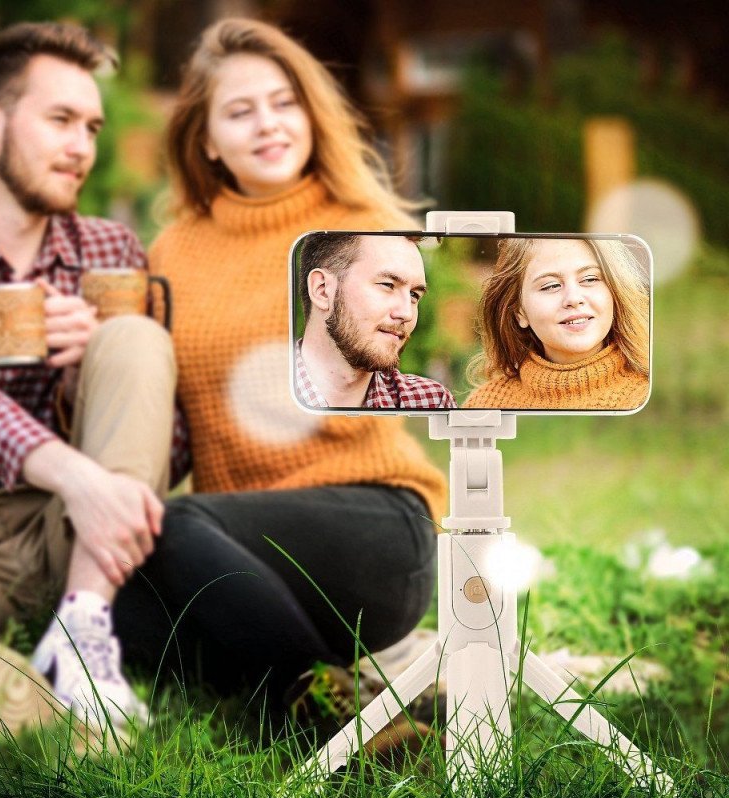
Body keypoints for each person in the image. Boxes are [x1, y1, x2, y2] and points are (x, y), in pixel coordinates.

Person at [112, 18, 447, 719]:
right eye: (239, 111)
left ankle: (326, 713)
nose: (268, 124)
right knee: (116, 614)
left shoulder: (360, 223)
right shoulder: (174, 248)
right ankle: (300, 682)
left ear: (311, 113)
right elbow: (175, 424)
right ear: (205, 138)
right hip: (235, 550)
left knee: (175, 528)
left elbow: (392, 353)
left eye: (283, 101)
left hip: (371, 525)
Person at [0, 22, 182, 732]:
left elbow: (171, 437)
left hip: (87, 544)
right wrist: (82, 477)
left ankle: (83, 628)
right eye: (62, 120)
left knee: (133, 337)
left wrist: (88, 376)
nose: (83, 147)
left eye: (93, 126)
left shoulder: (108, 249)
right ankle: (69, 727)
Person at [463, 237, 650, 410]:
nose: (574, 299)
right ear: (520, 312)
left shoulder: (648, 397)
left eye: (590, 279)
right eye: (551, 285)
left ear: (614, 293)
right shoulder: (484, 405)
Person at [296, 232, 457, 409]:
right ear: (323, 290)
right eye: (388, 285)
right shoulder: (262, 400)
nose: (407, 313)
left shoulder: (431, 403)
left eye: (414, 295)